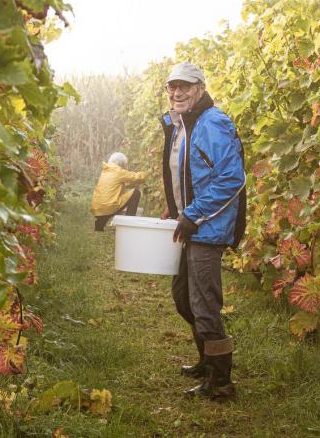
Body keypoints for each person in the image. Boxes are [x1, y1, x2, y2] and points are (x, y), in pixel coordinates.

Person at [159, 62, 246, 400]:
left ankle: (221, 382)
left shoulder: (214, 123)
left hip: (208, 228)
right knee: (184, 298)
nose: (178, 92)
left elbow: (231, 179)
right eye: (172, 87)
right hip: (192, 223)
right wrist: (177, 208)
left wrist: (193, 213)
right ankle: (204, 360)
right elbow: (190, 174)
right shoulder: (183, 123)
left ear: (200, 88)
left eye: (185, 86)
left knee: (204, 305)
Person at [90, 152, 147, 231]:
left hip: (97, 208)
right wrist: (146, 173)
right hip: (109, 207)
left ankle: (100, 225)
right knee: (136, 193)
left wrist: (130, 185)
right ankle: (128, 223)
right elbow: (137, 177)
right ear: (119, 163)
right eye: (124, 164)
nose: (124, 166)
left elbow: (115, 186)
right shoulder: (118, 171)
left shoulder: (106, 171)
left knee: (108, 203)